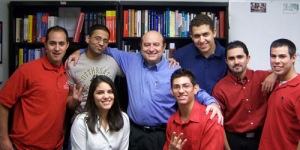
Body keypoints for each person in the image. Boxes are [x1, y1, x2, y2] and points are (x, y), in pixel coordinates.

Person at [66, 30, 222, 150]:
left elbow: (192, 89)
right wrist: (78, 51)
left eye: (156, 45)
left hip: (163, 134)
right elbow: (101, 48)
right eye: (147, 45)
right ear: (140, 47)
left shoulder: (172, 69)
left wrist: (212, 102)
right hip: (135, 133)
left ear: (164, 47)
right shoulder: (130, 59)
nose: (151, 49)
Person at [0, 26, 69, 150]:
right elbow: (3, 102)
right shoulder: (26, 70)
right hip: (24, 147)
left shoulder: (66, 73)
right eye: (52, 43)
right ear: (45, 45)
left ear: (67, 46)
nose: (57, 48)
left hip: (55, 147)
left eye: (61, 43)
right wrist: (3, 139)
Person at [212, 40, 277, 150]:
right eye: (232, 58)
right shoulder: (220, 88)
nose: (236, 61)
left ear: (248, 59)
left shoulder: (262, 78)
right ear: (226, 61)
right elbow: (218, 124)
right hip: (234, 140)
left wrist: (274, 74)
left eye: (240, 57)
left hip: (262, 138)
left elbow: (287, 72)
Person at [67, 24, 123, 112]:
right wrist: (73, 103)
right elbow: (69, 100)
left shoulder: (113, 62)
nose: (101, 43)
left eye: (105, 41)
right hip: (83, 117)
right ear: (88, 39)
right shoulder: (74, 64)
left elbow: (133, 72)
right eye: (98, 38)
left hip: (107, 116)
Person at [164, 69, 224, 150]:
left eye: (186, 86)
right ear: (172, 91)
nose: (181, 91)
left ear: (195, 89)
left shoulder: (211, 119)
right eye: (176, 87)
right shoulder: (172, 121)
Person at [258, 39, 300, 150]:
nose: (276, 61)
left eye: (282, 56)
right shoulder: (274, 82)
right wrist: (274, 75)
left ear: (293, 58)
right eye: (273, 56)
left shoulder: (298, 88)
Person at [172, 14, 228, 95]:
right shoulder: (180, 55)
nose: (201, 40)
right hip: (190, 106)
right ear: (192, 37)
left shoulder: (227, 55)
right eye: (197, 36)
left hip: (219, 106)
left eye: (205, 34)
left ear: (214, 33)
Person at [70, 75, 130, 150]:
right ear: (92, 97)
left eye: (110, 92)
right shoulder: (81, 122)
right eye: (100, 93)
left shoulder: (123, 118)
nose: (106, 96)